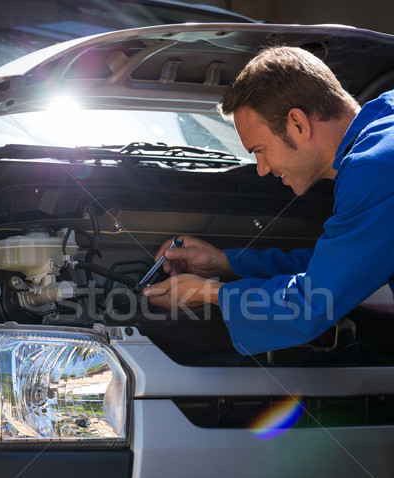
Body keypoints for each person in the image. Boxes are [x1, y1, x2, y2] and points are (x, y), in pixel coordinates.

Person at [142, 45, 394, 356]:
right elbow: (343, 262)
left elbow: (312, 303)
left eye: (260, 150)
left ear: (298, 124)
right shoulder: (386, 122)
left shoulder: (374, 168)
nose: (262, 170)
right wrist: (226, 262)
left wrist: (208, 293)